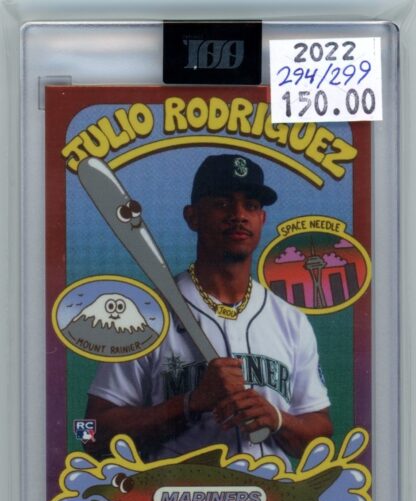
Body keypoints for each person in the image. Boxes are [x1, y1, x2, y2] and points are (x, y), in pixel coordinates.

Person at [86, 154, 332, 467]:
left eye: (251, 206)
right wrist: (189, 404)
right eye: (222, 203)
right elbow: (88, 434)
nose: (239, 215)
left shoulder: (291, 320)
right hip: (177, 494)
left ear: (262, 219)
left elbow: (322, 434)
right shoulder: (146, 316)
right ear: (192, 217)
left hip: (270, 494)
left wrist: (279, 420)